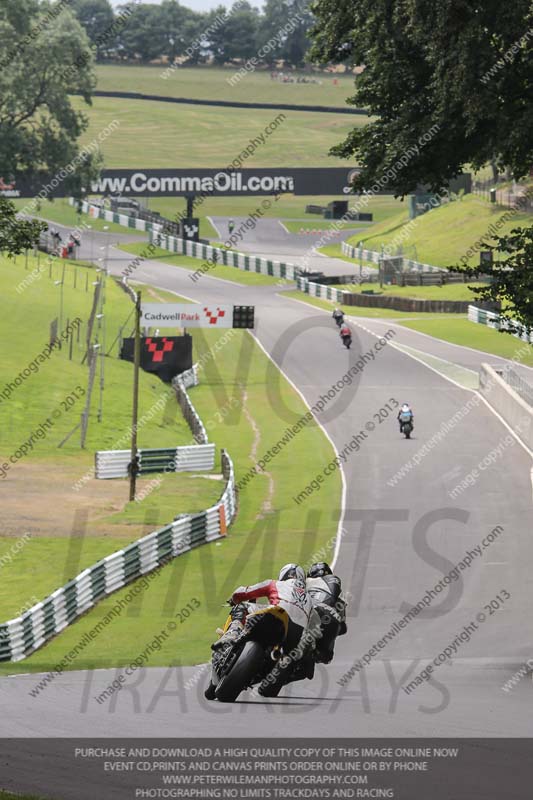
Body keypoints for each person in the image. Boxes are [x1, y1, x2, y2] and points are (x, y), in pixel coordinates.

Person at [214, 564, 319, 696]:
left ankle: (232, 633)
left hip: (275, 615)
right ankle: (272, 672)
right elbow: (315, 628)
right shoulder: (310, 600)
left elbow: (243, 592)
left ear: (283, 575)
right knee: (293, 656)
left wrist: (234, 599)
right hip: (294, 636)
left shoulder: (275, 584)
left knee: (241, 606)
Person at [306, 562, 347, 663]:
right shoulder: (334, 581)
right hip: (326, 617)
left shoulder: (303, 582)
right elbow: (342, 627)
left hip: (305, 614)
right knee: (326, 656)